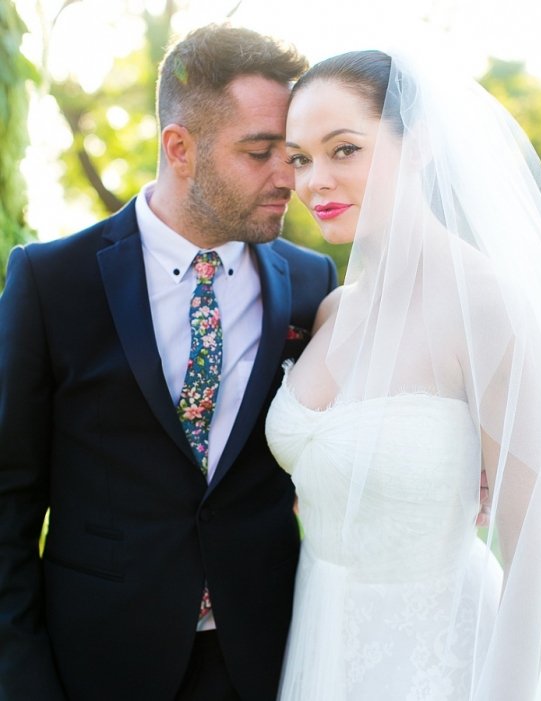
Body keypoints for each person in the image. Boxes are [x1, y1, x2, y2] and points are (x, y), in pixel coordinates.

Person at [0, 24, 337, 701]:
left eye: (294, 154)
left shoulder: (311, 283)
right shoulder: (52, 280)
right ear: (179, 148)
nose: (289, 178)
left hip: (267, 658)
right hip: (97, 662)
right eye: (260, 152)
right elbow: (8, 500)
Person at [265, 47, 541, 700]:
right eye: (301, 158)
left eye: (344, 150)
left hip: (438, 663)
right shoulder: (334, 308)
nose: (315, 182)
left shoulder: (486, 305)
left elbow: (537, 554)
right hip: (319, 647)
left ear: (418, 144)